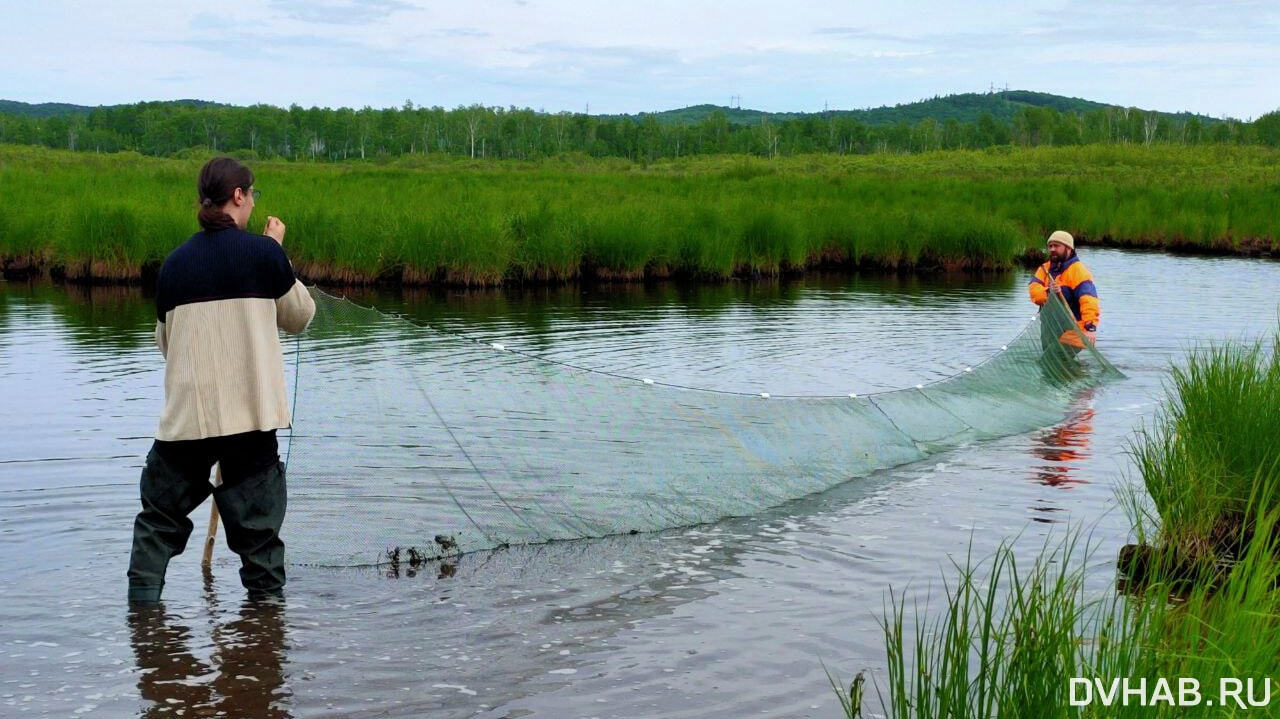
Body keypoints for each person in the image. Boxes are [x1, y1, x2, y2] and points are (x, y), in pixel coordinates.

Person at [127, 157, 315, 605]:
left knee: (157, 525)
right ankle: (264, 643)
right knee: (260, 543)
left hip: (187, 422)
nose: (252, 200)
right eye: (252, 193)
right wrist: (276, 251)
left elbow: (166, 344)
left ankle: (143, 630)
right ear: (238, 197)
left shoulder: (172, 266)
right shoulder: (264, 254)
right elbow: (300, 316)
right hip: (250, 420)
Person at [1028, 230, 1099, 345]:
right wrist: (1049, 292)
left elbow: (1089, 301)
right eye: (1050, 246)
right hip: (1049, 328)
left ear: (1069, 248)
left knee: (1058, 360)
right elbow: (1034, 294)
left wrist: (1090, 327)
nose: (1052, 249)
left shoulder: (1079, 271)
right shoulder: (1044, 269)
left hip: (1073, 330)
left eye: (1056, 246)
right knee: (1049, 361)